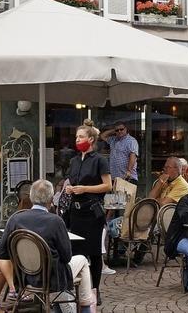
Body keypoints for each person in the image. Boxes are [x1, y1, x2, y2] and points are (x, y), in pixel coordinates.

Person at [0, 180, 95, 312]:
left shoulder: (15, 219)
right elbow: (66, 257)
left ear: (31, 197)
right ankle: (85, 307)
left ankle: (69, 306)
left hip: (24, 276)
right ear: (50, 199)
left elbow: (2, 253)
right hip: (52, 277)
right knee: (83, 260)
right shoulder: (55, 221)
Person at [66, 122, 112, 294]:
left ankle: (95, 289)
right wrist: (70, 188)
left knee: (94, 252)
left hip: (92, 212)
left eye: (81, 137)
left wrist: (85, 189)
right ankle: (79, 288)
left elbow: (108, 186)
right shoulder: (74, 160)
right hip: (76, 211)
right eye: (76, 137)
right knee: (76, 251)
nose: (77, 140)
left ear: (91, 139)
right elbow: (72, 181)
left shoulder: (100, 160)